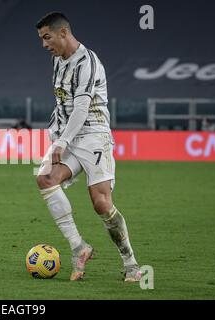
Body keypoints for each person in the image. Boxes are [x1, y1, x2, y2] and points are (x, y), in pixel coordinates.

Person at [35, 12, 142, 282]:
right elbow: (62, 104)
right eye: (41, 39)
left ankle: (131, 265)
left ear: (63, 33)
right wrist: (54, 135)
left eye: (47, 37)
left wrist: (62, 142)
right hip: (70, 136)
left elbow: (81, 108)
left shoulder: (88, 62)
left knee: (100, 203)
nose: (44, 44)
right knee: (45, 178)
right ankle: (79, 247)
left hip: (94, 135)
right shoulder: (57, 61)